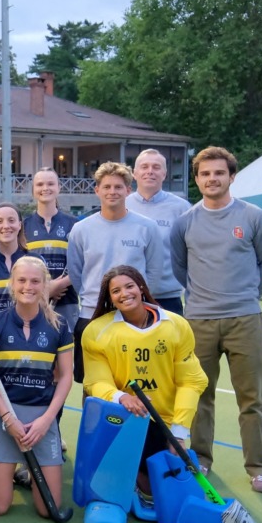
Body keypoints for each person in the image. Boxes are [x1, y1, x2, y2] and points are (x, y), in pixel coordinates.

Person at [171, 146, 262, 493]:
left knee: (252, 398)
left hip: (244, 320)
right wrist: (204, 299)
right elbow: (180, 268)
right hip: (199, 322)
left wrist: (245, 297)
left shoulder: (253, 217)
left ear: (232, 176)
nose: (212, 179)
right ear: (197, 179)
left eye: (219, 173)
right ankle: (201, 458)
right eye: (205, 174)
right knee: (199, 395)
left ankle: (259, 468)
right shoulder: (185, 222)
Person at [82, 265, 207, 493]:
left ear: (141, 287)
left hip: (165, 420)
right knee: (136, 487)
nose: (124, 294)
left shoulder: (176, 325)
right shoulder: (96, 331)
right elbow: (95, 382)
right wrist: (122, 398)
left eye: (129, 286)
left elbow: (191, 381)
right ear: (110, 298)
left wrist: (179, 433)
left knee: (161, 489)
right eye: (116, 291)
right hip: (123, 417)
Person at [0, 256, 73, 516]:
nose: (28, 287)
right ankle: (10, 468)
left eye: (35, 281)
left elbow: (66, 377)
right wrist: (8, 419)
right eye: (21, 280)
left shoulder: (59, 324)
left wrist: (46, 421)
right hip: (4, 414)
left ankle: (26, 469)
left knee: (47, 510)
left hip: (41, 417)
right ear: (12, 283)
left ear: (45, 285)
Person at [67, 162, 163, 383]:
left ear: (128, 190)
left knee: (134, 380)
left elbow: (154, 271)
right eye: (107, 187)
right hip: (92, 315)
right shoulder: (81, 230)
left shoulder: (147, 227)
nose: (112, 192)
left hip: (134, 316)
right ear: (97, 190)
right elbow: (76, 272)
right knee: (92, 384)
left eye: (118, 187)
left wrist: (135, 302)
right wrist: (96, 298)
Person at [126, 149, 191, 315]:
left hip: (167, 298)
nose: (150, 171)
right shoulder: (122, 205)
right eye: (144, 167)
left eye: (156, 167)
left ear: (164, 174)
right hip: (127, 297)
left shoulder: (182, 208)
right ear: (134, 173)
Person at [24, 168, 79, 332]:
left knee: (67, 345)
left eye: (50, 184)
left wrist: (61, 283)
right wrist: (45, 289)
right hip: (33, 300)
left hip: (67, 300)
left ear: (59, 187)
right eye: (40, 184)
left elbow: (82, 262)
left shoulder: (75, 224)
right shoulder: (23, 226)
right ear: (33, 190)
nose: (45, 188)